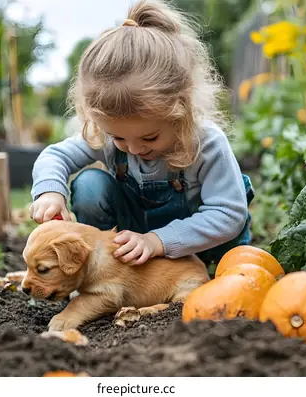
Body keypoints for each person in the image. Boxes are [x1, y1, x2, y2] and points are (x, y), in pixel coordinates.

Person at [29, 0, 254, 273]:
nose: (133, 148)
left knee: (230, 250)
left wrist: (158, 241)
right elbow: (55, 155)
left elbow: (228, 215)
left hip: (205, 247)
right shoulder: (107, 134)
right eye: (119, 139)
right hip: (133, 245)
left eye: (149, 138)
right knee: (89, 185)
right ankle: (110, 270)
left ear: (181, 111)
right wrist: (50, 192)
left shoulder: (206, 143)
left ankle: (212, 269)